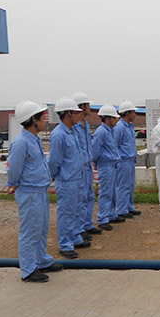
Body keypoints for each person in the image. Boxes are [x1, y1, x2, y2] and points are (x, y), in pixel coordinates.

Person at [7, 101, 62, 282]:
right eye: (42, 118)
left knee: (41, 228)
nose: (45, 121)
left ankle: (41, 260)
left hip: (39, 190)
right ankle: (28, 269)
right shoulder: (21, 143)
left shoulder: (34, 140)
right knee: (30, 231)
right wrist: (13, 182)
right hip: (29, 192)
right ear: (33, 121)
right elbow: (14, 168)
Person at [48, 97, 86, 259]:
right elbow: (54, 161)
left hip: (77, 178)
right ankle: (65, 244)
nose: (79, 115)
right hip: (66, 180)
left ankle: (75, 237)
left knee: (76, 210)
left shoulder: (72, 132)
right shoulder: (58, 135)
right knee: (66, 213)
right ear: (67, 114)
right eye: (76, 113)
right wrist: (54, 176)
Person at [71, 91, 103, 239]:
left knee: (89, 196)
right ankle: (80, 227)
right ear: (81, 107)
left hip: (87, 165)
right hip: (79, 167)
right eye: (88, 105)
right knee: (81, 198)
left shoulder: (85, 125)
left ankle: (87, 224)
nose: (90, 107)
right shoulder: (75, 126)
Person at [92, 105, 123, 231]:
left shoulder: (110, 131)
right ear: (107, 118)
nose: (116, 120)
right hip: (105, 165)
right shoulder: (101, 132)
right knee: (106, 192)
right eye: (114, 118)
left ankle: (110, 214)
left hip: (112, 164)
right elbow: (95, 151)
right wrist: (97, 163)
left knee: (112, 192)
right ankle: (103, 218)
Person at [114, 100, 141, 218]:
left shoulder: (129, 126)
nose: (135, 114)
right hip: (123, 160)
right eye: (133, 112)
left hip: (130, 160)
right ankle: (121, 210)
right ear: (127, 113)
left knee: (130, 185)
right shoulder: (119, 127)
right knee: (123, 186)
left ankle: (129, 207)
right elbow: (115, 144)